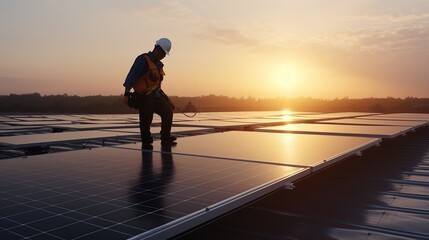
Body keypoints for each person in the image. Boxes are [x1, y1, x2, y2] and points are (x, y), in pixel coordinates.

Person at [123, 38, 176, 149]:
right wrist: (126, 93)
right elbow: (132, 75)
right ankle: (146, 141)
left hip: (156, 95)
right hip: (144, 97)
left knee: (168, 111)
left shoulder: (158, 64)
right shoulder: (143, 60)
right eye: (164, 53)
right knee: (146, 118)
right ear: (157, 49)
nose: (164, 56)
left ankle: (165, 138)